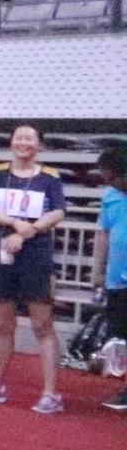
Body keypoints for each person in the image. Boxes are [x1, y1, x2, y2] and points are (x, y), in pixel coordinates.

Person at [0, 123, 67, 414]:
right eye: (19, 138)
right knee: (2, 324)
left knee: (42, 324)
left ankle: (51, 393)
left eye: (30, 139)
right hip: (0, 252)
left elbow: (58, 212)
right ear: (11, 142)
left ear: (39, 145)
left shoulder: (50, 177)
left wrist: (29, 231)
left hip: (35, 256)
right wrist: (13, 223)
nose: (23, 143)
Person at [95, 141, 127, 412]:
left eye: (113, 177)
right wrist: (99, 271)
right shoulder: (110, 196)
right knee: (120, 338)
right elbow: (104, 233)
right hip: (116, 277)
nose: (109, 182)